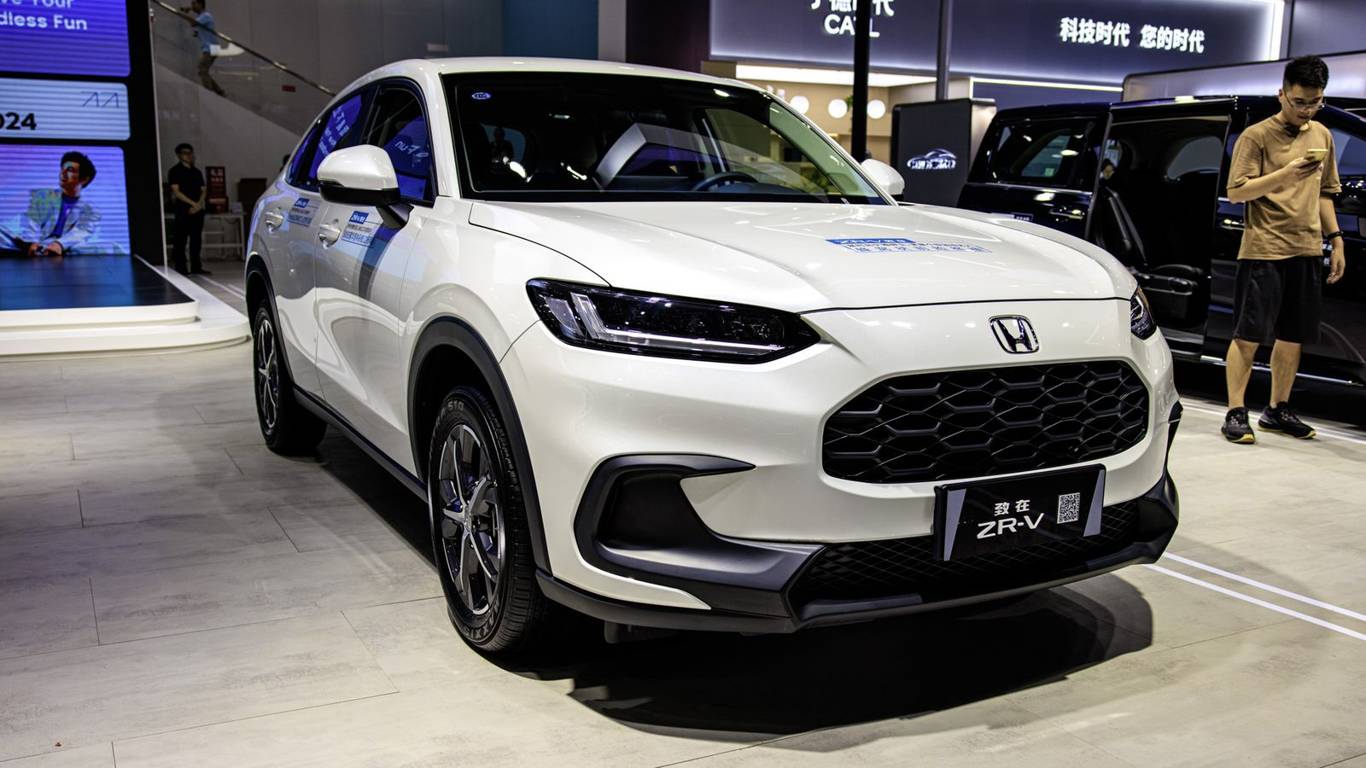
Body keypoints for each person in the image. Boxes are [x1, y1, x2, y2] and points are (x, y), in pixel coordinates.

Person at [1221, 55, 1346, 444]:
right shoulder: (1256, 136)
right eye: (1299, 102)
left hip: (1306, 247)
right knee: (1248, 335)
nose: (1307, 110)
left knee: (1293, 336)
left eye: (1315, 102)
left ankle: (1277, 409)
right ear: (1282, 94)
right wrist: (1285, 174)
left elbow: (1325, 193)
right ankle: (1235, 411)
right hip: (1264, 247)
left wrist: (1336, 239)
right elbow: (1237, 192)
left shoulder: (1321, 135)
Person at [0, 151, 103, 257]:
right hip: (37, 242)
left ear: (84, 179)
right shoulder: (43, 196)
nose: (63, 173)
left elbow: (81, 232)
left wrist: (59, 244)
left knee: (100, 246)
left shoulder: (91, 210)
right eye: (62, 169)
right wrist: (31, 243)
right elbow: (32, 222)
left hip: (65, 245)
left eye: (70, 170)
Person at [168, 142, 210, 275]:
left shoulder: (196, 172)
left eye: (190, 153)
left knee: (196, 240)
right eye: (185, 153)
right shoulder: (175, 171)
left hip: (197, 210)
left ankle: (196, 266)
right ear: (179, 155)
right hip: (183, 210)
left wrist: (199, 204)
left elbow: (203, 190)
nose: (188, 155)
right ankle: (181, 267)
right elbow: (176, 191)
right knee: (181, 239)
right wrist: (192, 204)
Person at [184, 0, 225, 96]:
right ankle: (219, 91)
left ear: (200, 4)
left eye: (194, 3)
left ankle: (210, 93)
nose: (192, 6)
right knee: (203, 70)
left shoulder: (206, 16)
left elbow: (193, 23)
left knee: (202, 68)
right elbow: (197, 30)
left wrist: (185, 13)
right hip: (211, 47)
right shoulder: (202, 17)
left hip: (211, 48)